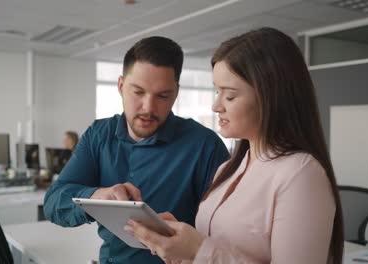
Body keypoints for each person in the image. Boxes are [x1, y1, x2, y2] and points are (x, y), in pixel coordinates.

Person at [125, 28, 344, 264]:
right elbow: (221, 247)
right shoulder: (229, 168)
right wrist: (179, 243)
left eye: (229, 96)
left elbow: (211, 254)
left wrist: (198, 250)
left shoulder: (300, 173)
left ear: (270, 96)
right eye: (217, 91)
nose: (216, 106)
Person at [43, 36, 230, 264]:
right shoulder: (99, 134)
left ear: (176, 93)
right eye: (138, 92)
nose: (148, 108)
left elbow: (226, 236)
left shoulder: (205, 146)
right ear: (121, 86)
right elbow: (53, 202)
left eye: (163, 96)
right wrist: (96, 196)